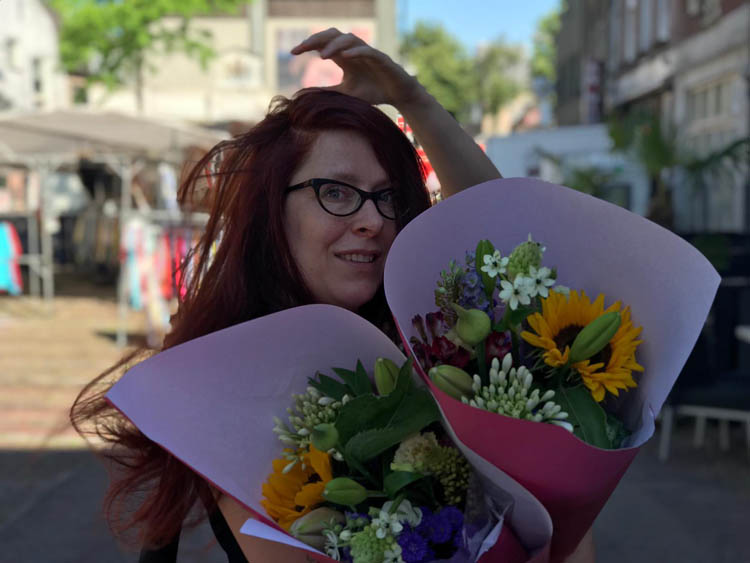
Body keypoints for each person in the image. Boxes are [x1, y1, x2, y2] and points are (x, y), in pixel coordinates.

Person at [72, 29, 594, 562]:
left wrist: (413, 99)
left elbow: (500, 230)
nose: (372, 220)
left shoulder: (438, 346)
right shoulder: (229, 387)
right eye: (337, 192)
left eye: (387, 196)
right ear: (272, 211)